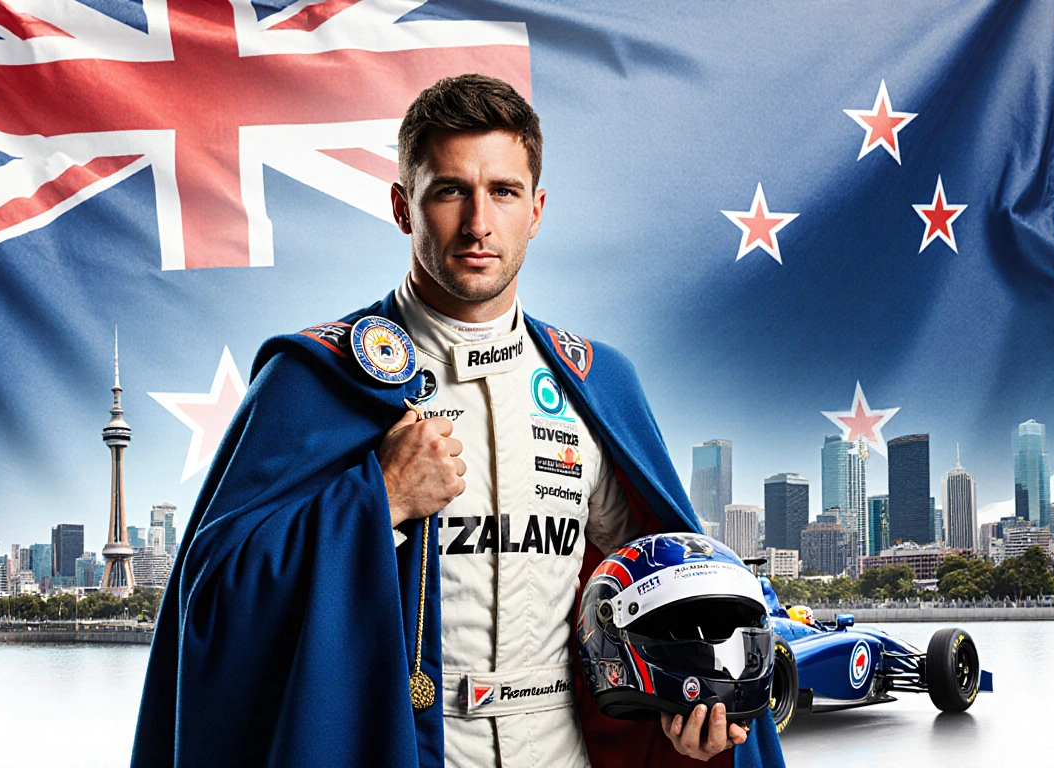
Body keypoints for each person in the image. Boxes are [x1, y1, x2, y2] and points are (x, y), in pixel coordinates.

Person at [132, 74, 785, 768]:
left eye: (503, 192)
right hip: (396, 748)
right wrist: (379, 499)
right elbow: (212, 602)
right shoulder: (313, 378)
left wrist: (685, 716)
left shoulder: (600, 383)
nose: (478, 224)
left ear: (536, 210)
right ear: (402, 207)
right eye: (450, 191)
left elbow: (665, 587)